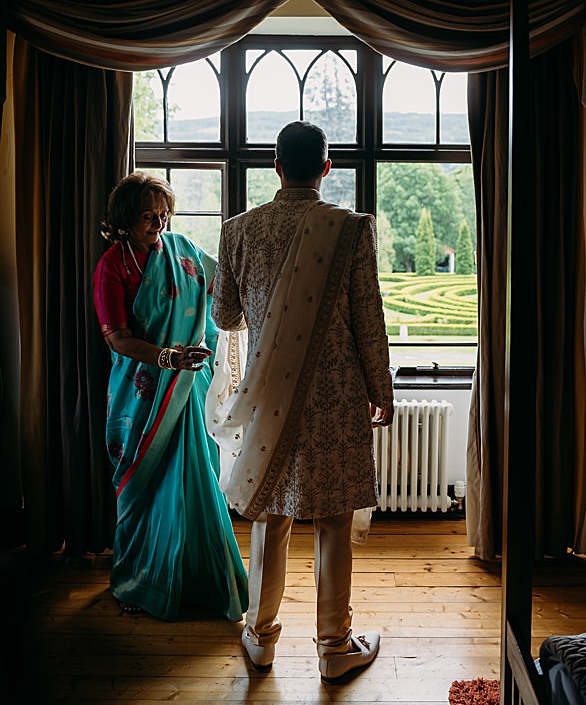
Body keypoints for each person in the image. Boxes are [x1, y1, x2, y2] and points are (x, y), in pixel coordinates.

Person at [212, 121, 393, 681]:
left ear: (275, 165)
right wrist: (381, 389)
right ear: (326, 167)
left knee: (271, 512)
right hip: (338, 394)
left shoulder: (239, 231)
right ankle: (334, 647)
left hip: (272, 393)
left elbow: (224, 317)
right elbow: (368, 318)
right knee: (336, 518)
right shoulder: (349, 229)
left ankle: (260, 637)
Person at [93, 172, 249, 622]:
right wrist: (167, 357)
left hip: (186, 389)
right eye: (147, 217)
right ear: (125, 220)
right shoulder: (113, 267)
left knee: (195, 482)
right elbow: (118, 338)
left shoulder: (185, 254)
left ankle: (206, 582)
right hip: (140, 394)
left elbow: (225, 293)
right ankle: (141, 580)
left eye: (163, 215)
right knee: (146, 488)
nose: (159, 225)